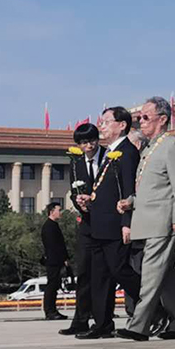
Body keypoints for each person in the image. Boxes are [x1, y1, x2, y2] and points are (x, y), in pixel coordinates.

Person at [114, 97, 175, 342]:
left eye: (145, 117)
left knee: (150, 277)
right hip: (147, 221)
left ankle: (139, 326)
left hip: (162, 222)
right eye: (139, 117)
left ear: (162, 119)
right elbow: (153, 188)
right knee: (166, 277)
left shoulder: (171, 145)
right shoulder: (151, 148)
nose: (140, 122)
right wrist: (130, 202)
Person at [77, 106, 141, 339]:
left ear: (121, 125)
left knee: (121, 271)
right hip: (99, 224)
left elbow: (128, 191)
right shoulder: (110, 152)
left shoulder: (127, 152)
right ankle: (102, 323)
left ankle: (154, 307)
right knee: (100, 277)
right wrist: (90, 200)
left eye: (106, 122)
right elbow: (107, 188)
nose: (101, 126)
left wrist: (127, 222)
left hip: (115, 225)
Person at [59, 122, 101, 336]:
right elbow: (73, 190)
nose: (89, 146)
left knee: (105, 274)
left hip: (106, 221)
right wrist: (80, 204)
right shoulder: (76, 163)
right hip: (86, 223)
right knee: (83, 272)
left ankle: (103, 321)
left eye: (92, 141)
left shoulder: (109, 158)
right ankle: (80, 320)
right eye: (84, 143)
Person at [40, 202, 69, 320]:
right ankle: (50, 311)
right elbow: (53, 246)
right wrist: (62, 259)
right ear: (52, 212)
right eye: (59, 210)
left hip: (56, 260)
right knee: (51, 286)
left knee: (54, 285)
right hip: (53, 261)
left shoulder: (53, 225)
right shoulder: (49, 226)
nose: (61, 212)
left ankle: (53, 310)